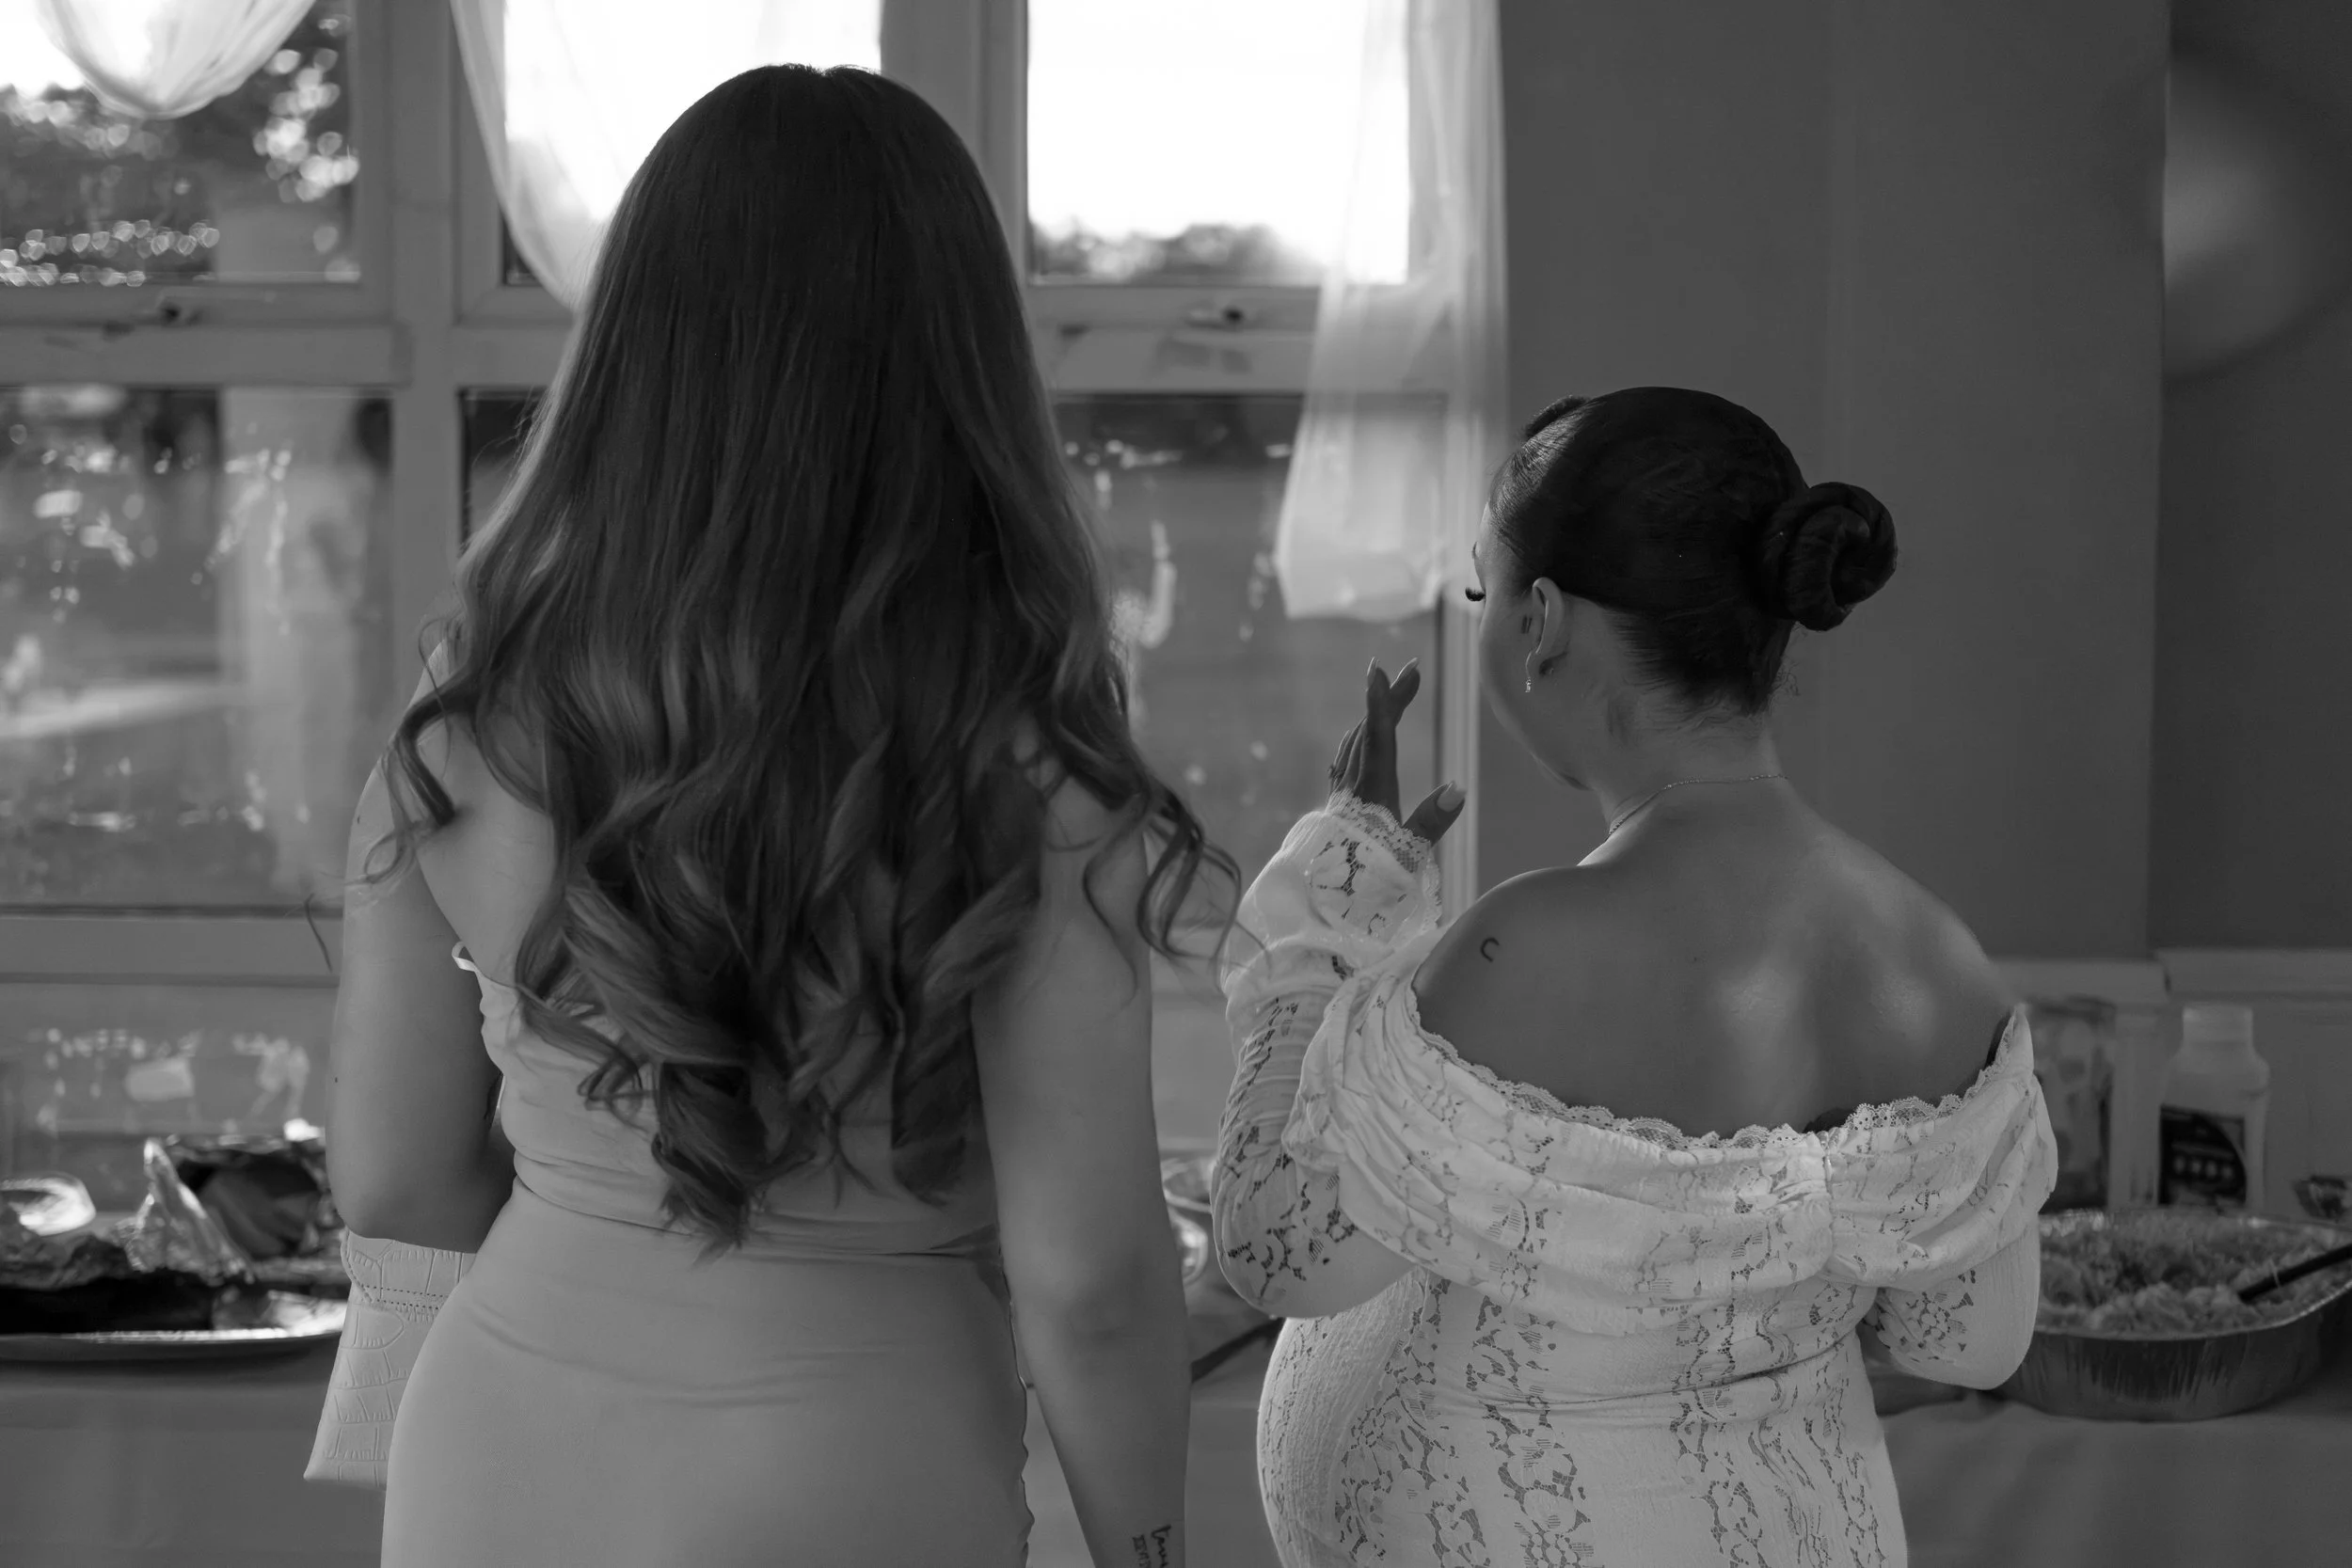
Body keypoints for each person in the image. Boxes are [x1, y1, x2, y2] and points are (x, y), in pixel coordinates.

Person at [323, 65, 1233, 1568]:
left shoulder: (475, 705)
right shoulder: (1016, 761)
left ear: (631, 349)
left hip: (495, 1444)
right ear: (959, 365)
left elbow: (399, 1179)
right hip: (852, 1458)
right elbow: (1090, 1280)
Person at [1213, 387, 2058, 1566]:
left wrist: (1330, 906)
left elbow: (1278, 1248)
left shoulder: (1528, 949)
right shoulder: (1935, 956)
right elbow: (1968, 1336)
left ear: (1543, 618)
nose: (1484, 621)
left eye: (1482, 590)